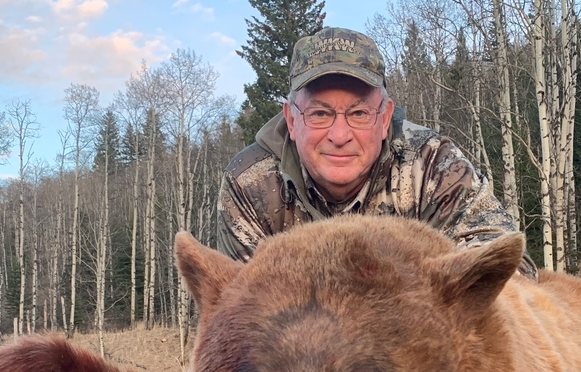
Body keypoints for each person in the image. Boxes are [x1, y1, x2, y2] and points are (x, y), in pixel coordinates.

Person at [217, 27, 535, 276]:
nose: (339, 136)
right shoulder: (251, 183)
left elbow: (508, 270)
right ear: (291, 119)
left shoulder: (433, 165)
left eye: (359, 114)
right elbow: (240, 309)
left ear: (384, 119)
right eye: (319, 114)